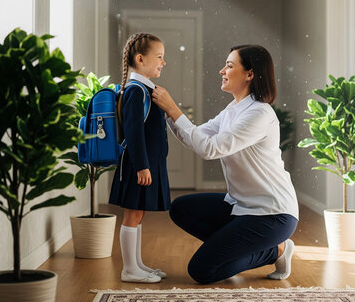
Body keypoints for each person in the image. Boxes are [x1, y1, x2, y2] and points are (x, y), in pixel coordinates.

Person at [152, 44, 299, 284]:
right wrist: (168, 114)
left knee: (202, 271)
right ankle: (235, 247)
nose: (222, 70)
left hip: (272, 214)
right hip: (241, 206)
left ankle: (276, 250)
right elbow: (196, 138)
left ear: (250, 74)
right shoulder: (232, 110)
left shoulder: (259, 114)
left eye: (229, 66)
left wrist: (173, 108)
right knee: (180, 208)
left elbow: (210, 149)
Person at [109, 33, 169, 283]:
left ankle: (138, 264)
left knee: (139, 213)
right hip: (138, 165)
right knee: (132, 214)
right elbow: (133, 133)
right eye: (159, 57)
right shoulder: (136, 91)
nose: (163, 62)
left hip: (146, 164)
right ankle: (129, 269)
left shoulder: (145, 89)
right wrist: (142, 166)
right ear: (140, 59)